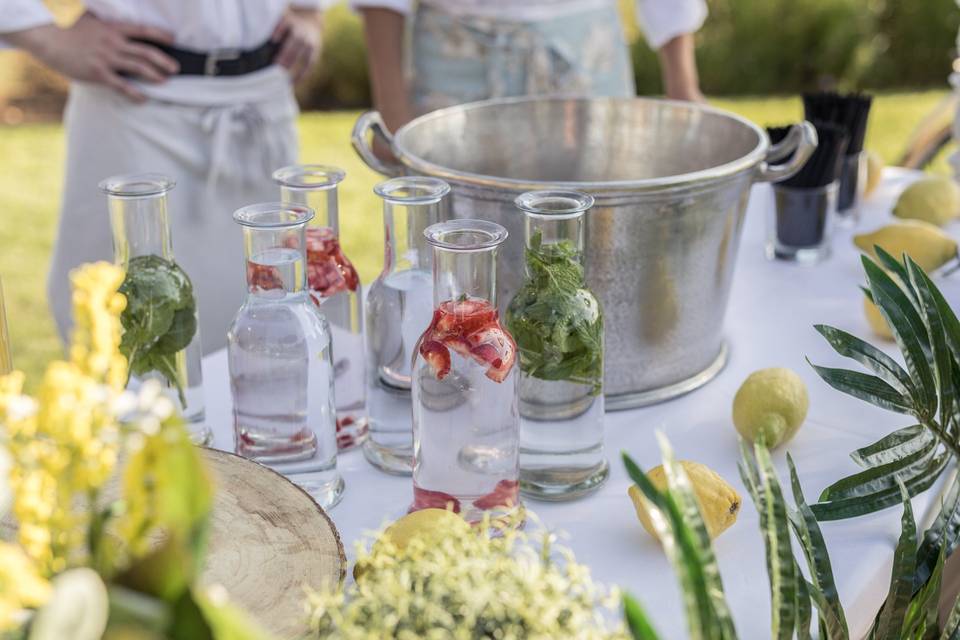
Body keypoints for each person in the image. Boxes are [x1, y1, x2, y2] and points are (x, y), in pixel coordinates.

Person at [2, 0, 324, 352]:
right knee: (132, 335)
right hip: (138, 107)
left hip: (263, 103)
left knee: (275, 334)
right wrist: (42, 35)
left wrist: (308, 9)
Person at [354, 0, 707, 135]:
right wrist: (392, 111)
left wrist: (683, 86)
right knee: (456, 250)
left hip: (585, 56)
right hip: (454, 60)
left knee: (596, 229)